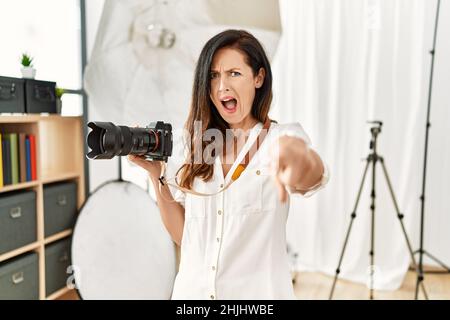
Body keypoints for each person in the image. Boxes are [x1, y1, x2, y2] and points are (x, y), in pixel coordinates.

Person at [128, 29, 329, 300]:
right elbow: (184, 237)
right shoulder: (193, 146)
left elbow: (313, 174)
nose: (222, 85)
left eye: (234, 73)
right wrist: (157, 177)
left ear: (258, 78)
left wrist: (299, 160)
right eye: (213, 75)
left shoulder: (282, 139)